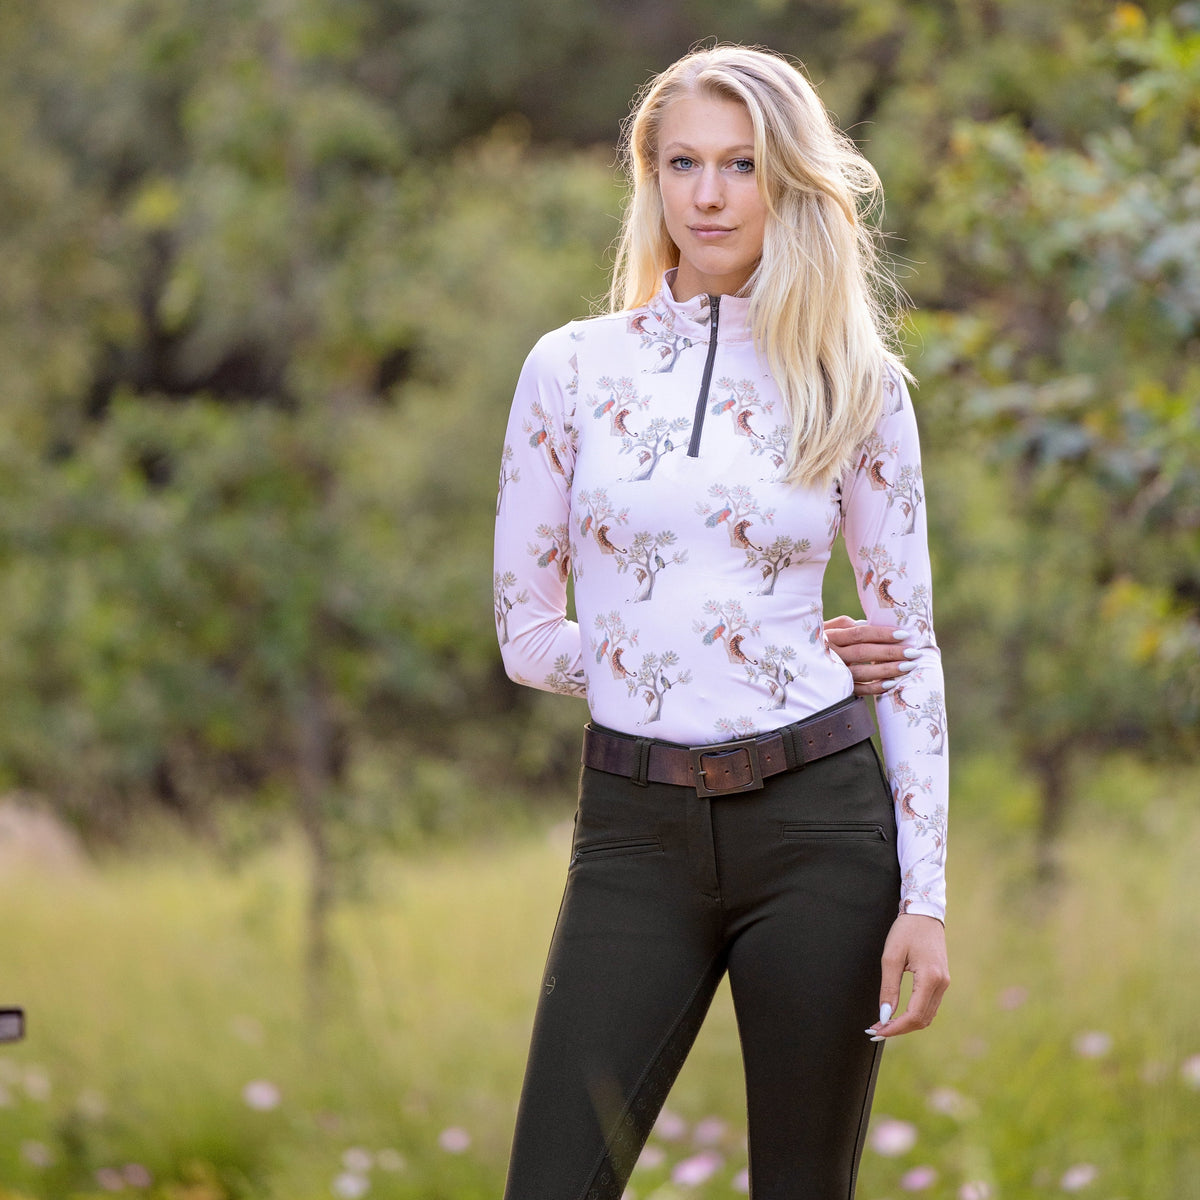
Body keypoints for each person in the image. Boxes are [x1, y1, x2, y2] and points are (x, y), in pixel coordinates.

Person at [493, 44, 948, 1199]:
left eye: (741, 165)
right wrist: (703, 652)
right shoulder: (571, 370)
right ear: (649, 178)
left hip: (820, 831)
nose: (708, 195)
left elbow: (908, 653)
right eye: (682, 164)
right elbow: (526, 634)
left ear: (789, 180)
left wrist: (927, 899)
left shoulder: (858, 382)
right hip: (634, 832)